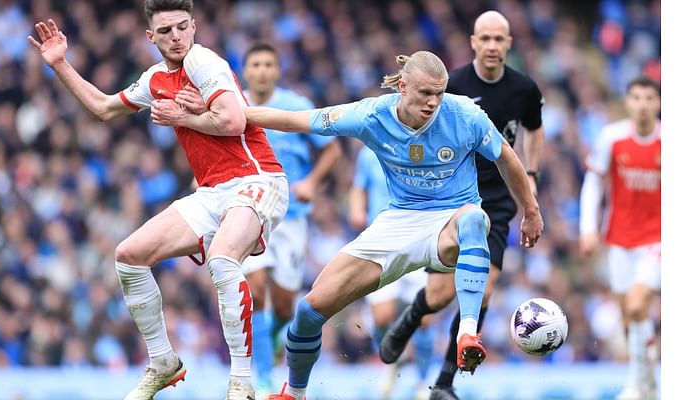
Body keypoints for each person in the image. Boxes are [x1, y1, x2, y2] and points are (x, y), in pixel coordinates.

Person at [195, 50, 541, 400]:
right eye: (425, 93)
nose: (434, 102)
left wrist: (530, 209)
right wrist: (227, 113)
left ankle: (467, 332)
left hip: (448, 220)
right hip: (397, 222)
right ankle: (294, 393)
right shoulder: (371, 115)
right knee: (310, 309)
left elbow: (507, 158)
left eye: (440, 93)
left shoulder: (465, 114)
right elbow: (296, 119)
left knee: (475, 219)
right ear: (402, 87)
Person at [28, 1, 289, 399]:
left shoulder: (205, 62)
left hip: (257, 179)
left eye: (182, 27)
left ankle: (241, 384)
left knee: (222, 259)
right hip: (211, 191)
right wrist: (60, 64)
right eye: (165, 31)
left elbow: (235, 121)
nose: (176, 37)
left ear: (194, 26)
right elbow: (102, 108)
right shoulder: (154, 80)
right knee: (129, 254)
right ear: (151, 37)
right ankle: (164, 362)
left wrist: (180, 118)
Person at [377, 11, 546, 400]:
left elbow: (534, 129)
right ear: (473, 41)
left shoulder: (524, 89)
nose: (491, 46)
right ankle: (411, 318)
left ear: (509, 44)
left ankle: (445, 382)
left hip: (499, 202)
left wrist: (531, 176)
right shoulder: (451, 86)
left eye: (498, 39)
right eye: (484, 38)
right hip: (456, 198)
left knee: (482, 292)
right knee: (438, 297)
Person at [235, 42, 341, 396]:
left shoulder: (297, 106)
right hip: (251, 212)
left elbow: (332, 149)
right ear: (246, 70)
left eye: (269, 64)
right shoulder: (234, 104)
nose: (262, 70)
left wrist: (311, 181)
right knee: (256, 293)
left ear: (277, 70)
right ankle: (263, 377)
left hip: (292, 217)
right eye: (256, 64)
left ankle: (272, 340)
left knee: (283, 303)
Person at [579, 76, 661, 400]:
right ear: (628, 102)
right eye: (636, 97)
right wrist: (588, 227)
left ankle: (636, 385)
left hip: (658, 239)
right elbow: (593, 182)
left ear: (657, 104)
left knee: (640, 303)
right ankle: (648, 379)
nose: (642, 104)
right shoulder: (612, 138)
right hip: (619, 240)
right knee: (629, 318)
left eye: (649, 98)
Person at [350, 146, 436, 399]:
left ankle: (423, 383)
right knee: (382, 316)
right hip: (383, 241)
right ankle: (392, 359)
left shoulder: (422, 148)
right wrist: (357, 210)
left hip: (418, 239)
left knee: (425, 317)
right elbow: (359, 186)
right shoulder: (369, 151)